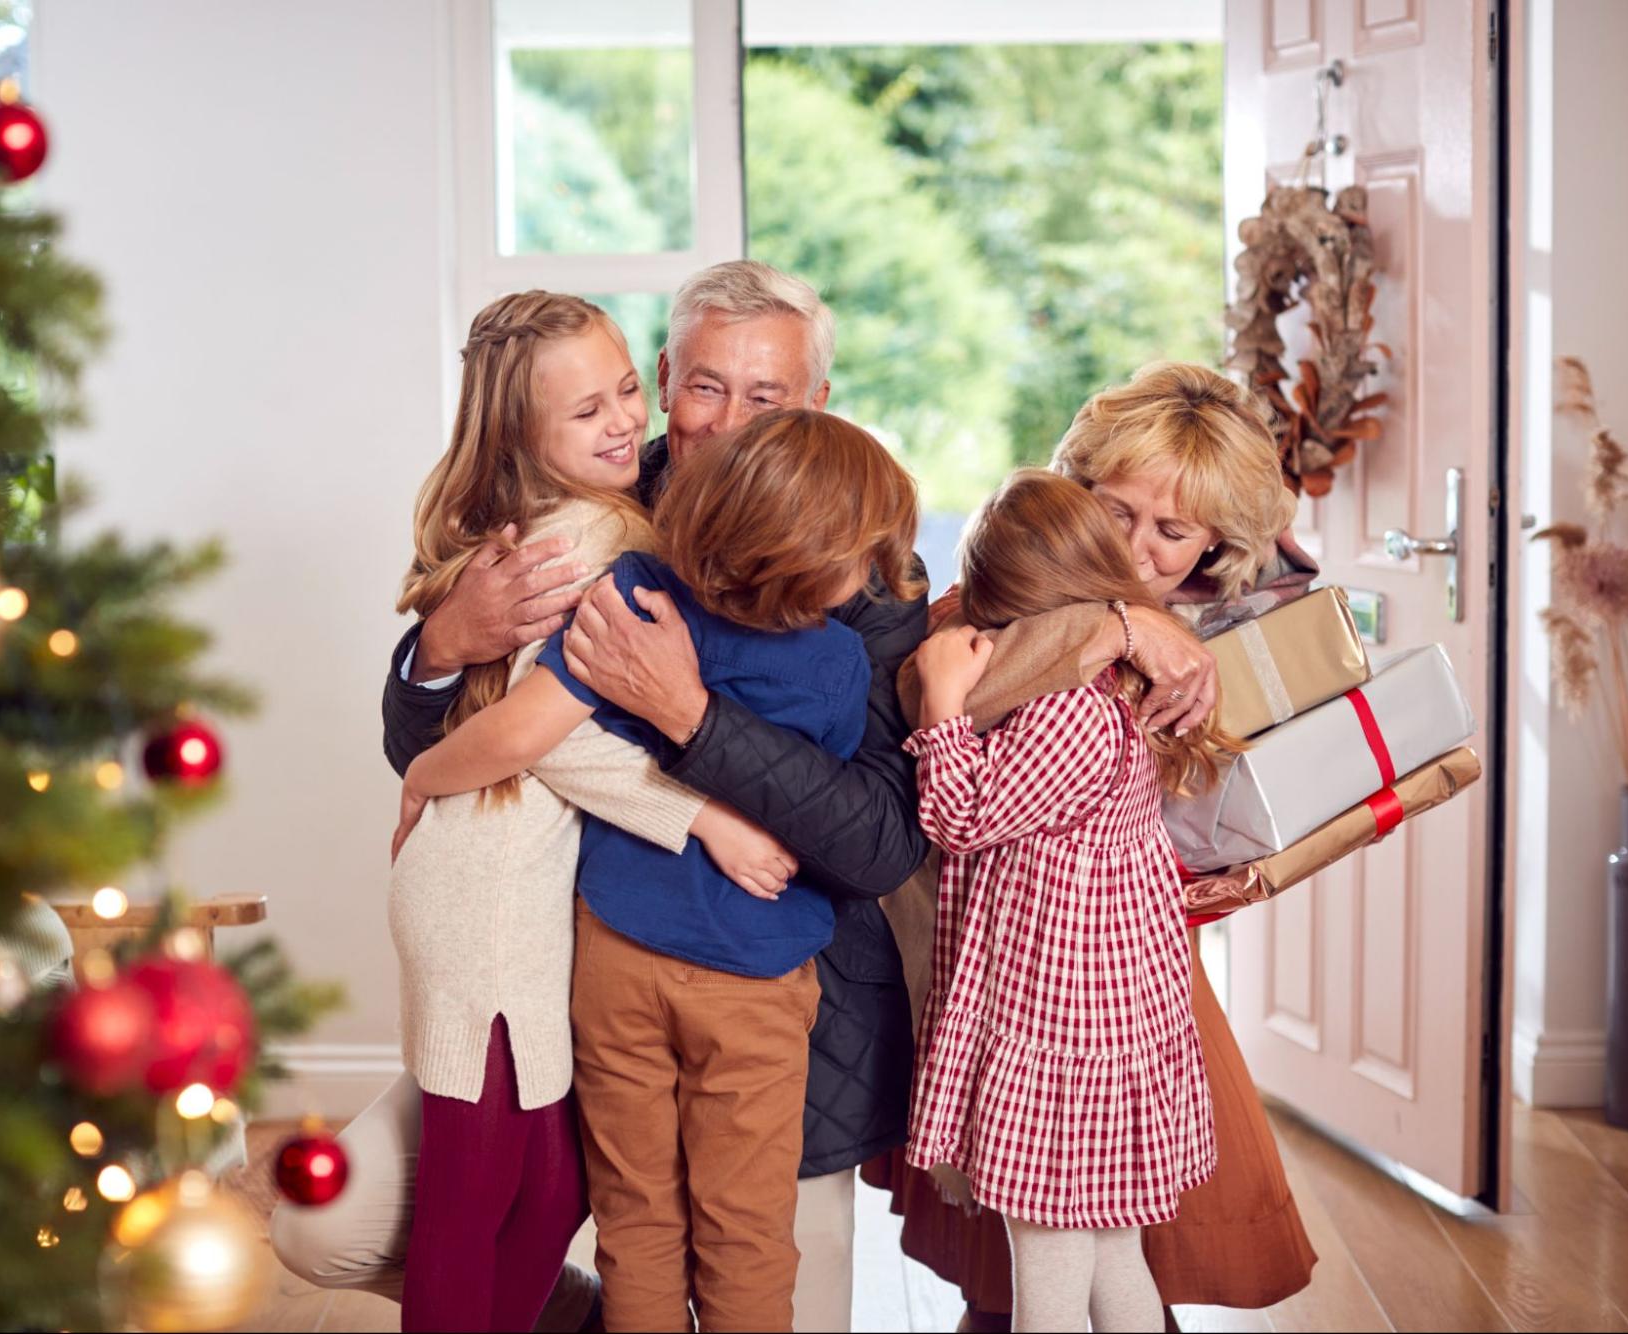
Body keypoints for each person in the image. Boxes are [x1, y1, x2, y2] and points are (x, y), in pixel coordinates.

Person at [378, 262, 1218, 1331]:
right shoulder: (580, 505)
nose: (730, 424)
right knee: (352, 1220)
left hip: (780, 1015)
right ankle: (557, 1303)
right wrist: (443, 646)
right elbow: (448, 743)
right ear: (664, 382)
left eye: (766, 397)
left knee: (748, 1265)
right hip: (555, 980)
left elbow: (876, 840)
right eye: (703, 387)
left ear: (815, 403)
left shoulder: (862, 575)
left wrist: (689, 717)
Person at [275, 291, 795, 1331]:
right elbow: (549, 734)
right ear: (521, 431)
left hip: (511, 881)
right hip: (484, 898)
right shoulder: (589, 536)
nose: (621, 424)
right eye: (583, 411)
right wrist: (703, 818)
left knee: (551, 1188)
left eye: (624, 393)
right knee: (474, 1195)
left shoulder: (615, 509)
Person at [395, 409, 922, 1331]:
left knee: (635, 1220)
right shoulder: (838, 664)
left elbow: (527, 730)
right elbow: (831, 820)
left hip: (616, 958)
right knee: (745, 1230)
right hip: (750, 983)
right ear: (825, 563)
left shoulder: (635, 585)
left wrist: (426, 778)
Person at [867, 362, 1320, 1328]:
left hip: (1096, 973)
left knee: (1094, 1220)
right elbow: (938, 679)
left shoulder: (1214, 628)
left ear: (1212, 544)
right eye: (1115, 511)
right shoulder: (1027, 591)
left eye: (1172, 531)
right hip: (1014, 956)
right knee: (1051, 1231)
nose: (1139, 549)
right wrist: (1112, 619)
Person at [905, 470, 1234, 1332]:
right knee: (1109, 1252)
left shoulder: (1064, 714)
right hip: (1096, 1028)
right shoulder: (1104, 695)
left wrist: (943, 703)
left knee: (1046, 1272)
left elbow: (961, 816)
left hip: (1063, 1037)